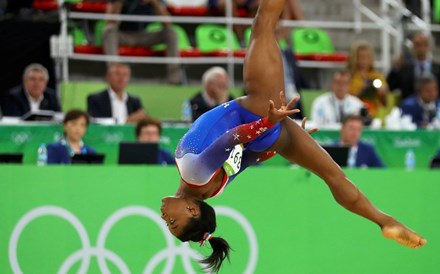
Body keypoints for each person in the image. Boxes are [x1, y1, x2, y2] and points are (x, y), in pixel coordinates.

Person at [160, 0, 426, 272]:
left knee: (334, 177)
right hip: (258, 110)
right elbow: (230, 139)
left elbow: (248, 158)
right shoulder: (193, 174)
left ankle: (384, 221)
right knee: (263, 22)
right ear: (192, 210)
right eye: (173, 222)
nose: (165, 218)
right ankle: (383, 220)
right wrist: (267, 121)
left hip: (270, 132)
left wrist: (281, 143)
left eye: (168, 223)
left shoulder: (213, 190)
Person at [103, 0, 181, 84]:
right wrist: (119, 3)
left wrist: (155, 3)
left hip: (144, 35)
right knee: (109, 31)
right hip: (124, 35)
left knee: (171, 33)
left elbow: (167, 24)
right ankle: (115, 77)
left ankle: (174, 79)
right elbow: (110, 23)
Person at [387, 32, 440, 100]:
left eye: (425, 44)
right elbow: (390, 86)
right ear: (413, 47)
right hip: (410, 107)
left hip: (434, 107)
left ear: (430, 46)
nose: (421, 48)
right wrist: (395, 68)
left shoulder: (438, 69)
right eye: (417, 44)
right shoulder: (404, 69)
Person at [348, 40, 389, 117]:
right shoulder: (350, 77)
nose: (365, 60)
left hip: (375, 112)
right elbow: (347, 98)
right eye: (362, 57)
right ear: (355, 58)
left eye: (368, 57)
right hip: (354, 113)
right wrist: (362, 90)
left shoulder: (378, 76)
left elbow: (385, 103)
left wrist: (383, 91)